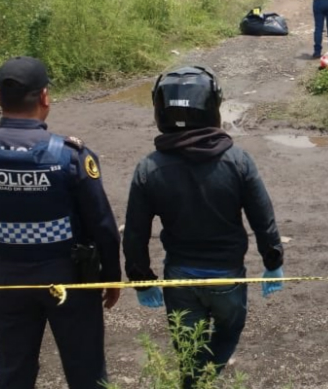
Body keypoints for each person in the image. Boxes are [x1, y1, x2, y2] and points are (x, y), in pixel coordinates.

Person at [0, 56, 121, 389]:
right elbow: (103, 226)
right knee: (87, 371)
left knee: (13, 372)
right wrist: (111, 277)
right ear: (44, 97)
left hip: (5, 281)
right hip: (71, 281)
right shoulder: (71, 157)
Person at [122, 66, 284, 388]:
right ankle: (202, 380)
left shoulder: (149, 169)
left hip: (179, 278)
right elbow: (262, 217)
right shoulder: (238, 161)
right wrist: (273, 262)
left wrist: (142, 280)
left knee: (189, 351)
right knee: (227, 333)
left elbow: (136, 233)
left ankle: (194, 382)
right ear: (213, 107)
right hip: (228, 276)